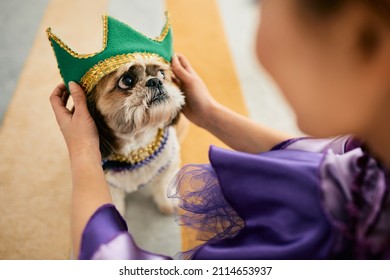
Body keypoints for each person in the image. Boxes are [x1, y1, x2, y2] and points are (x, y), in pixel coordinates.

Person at [50, 0, 390, 259]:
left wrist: (82, 154)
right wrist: (210, 113)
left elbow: (107, 262)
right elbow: (324, 159)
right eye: (127, 81)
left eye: (262, 4)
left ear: (360, 37)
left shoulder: (317, 236)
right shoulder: (370, 169)